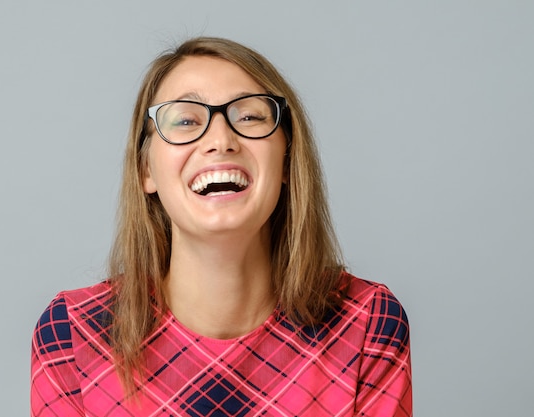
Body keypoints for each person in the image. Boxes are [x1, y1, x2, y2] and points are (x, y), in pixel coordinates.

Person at [30, 37, 413, 416]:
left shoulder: (367, 323)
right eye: (184, 120)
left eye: (248, 117)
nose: (220, 140)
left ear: (286, 159)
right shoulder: (72, 335)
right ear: (146, 170)